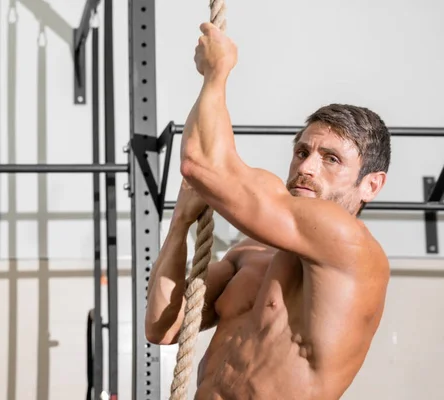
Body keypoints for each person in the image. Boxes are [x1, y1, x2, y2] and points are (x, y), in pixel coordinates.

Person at [145, 22, 392, 400]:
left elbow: (202, 164)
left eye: (331, 159)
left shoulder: (350, 245)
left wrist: (217, 72)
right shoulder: (250, 252)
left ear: (371, 185)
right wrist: (180, 224)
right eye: (302, 152)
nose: (307, 167)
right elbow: (164, 327)